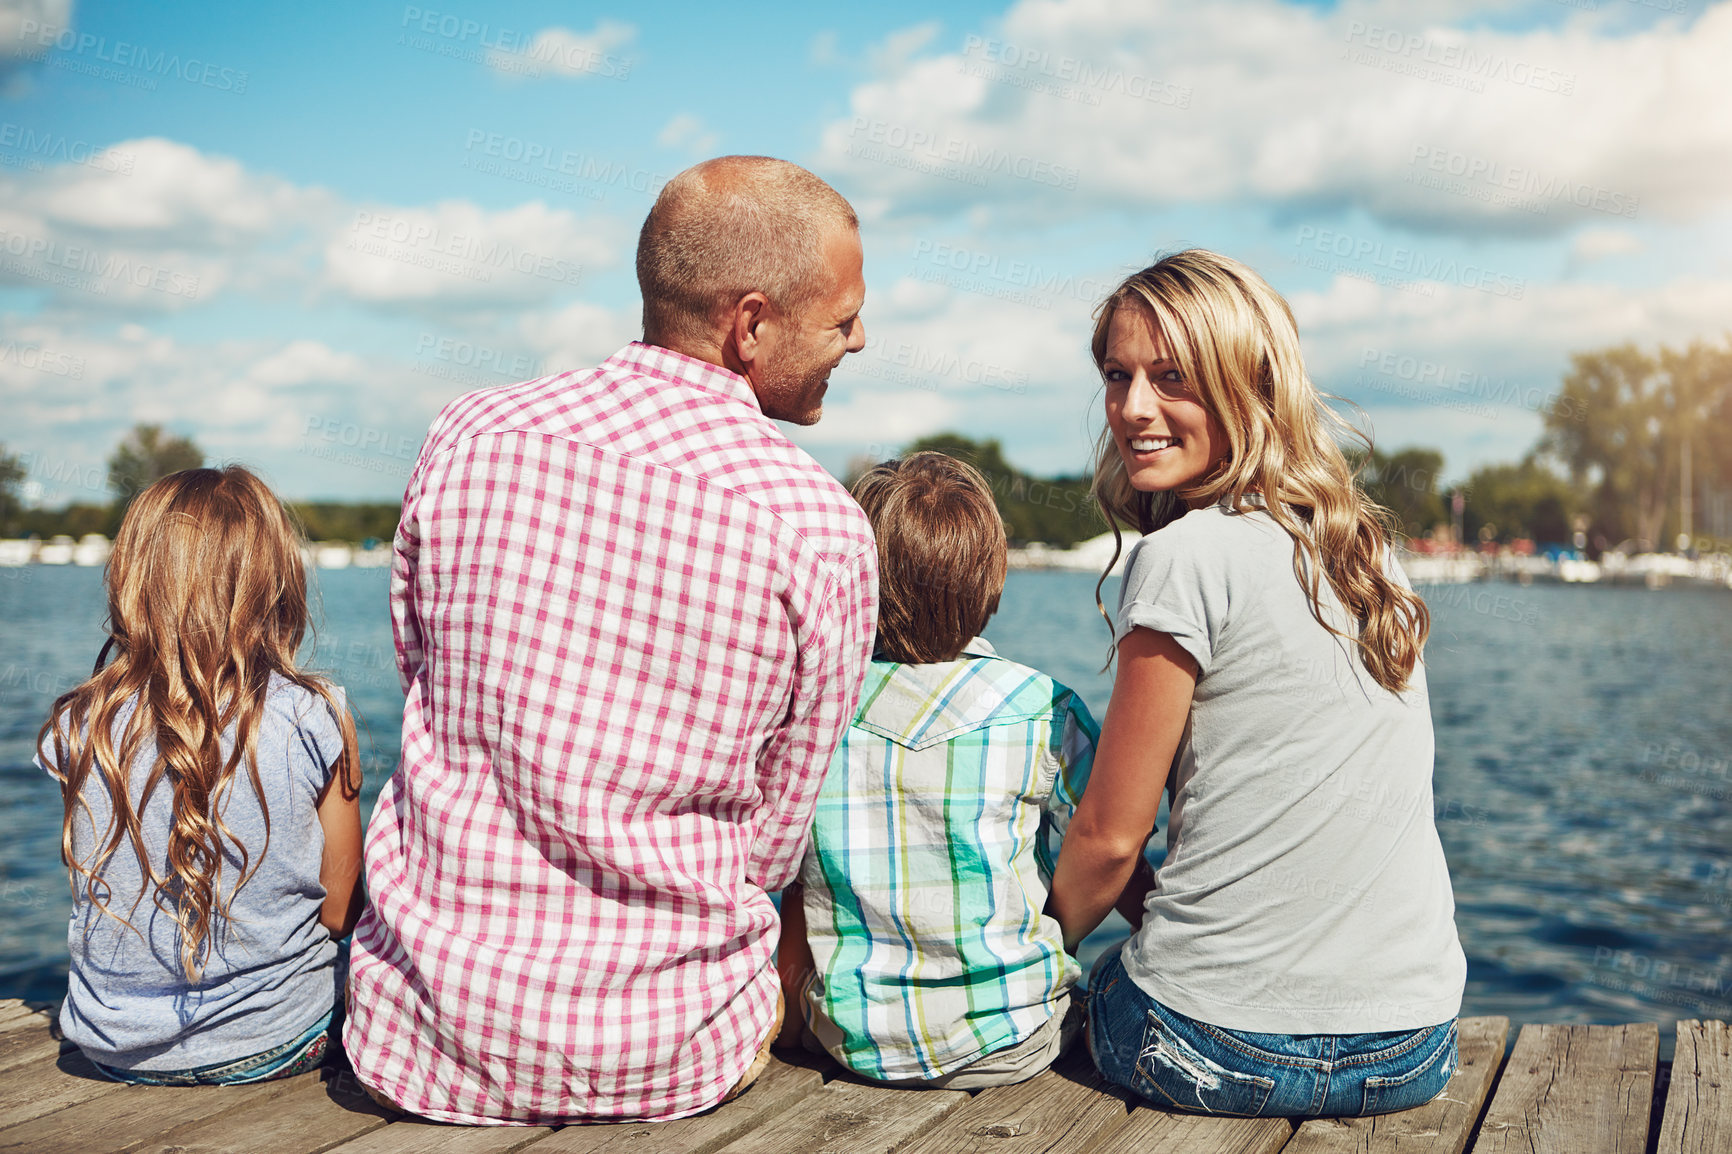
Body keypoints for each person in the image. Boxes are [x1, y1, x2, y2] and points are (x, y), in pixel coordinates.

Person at [344, 156, 879, 1124]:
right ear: (750, 325)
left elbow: (419, 676)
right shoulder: (819, 527)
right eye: (840, 320)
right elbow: (772, 835)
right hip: (668, 1053)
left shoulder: (466, 435)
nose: (859, 339)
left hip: (421, 1034)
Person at [1049, 250, 1466, 1118]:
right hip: (1413, 1045)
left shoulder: (1183, 557)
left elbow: (1111, 839)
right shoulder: (1365, 554)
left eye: (1172, 378)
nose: (1132, 409)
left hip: (1214, 1046)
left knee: (1055, 754)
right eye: (1117, 375)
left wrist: (1026, 950)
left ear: (1248, 387)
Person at [776, 452, 1097, 1089]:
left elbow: (786, 874)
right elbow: (1106, 844)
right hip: (1014, 1039)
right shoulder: (1045, 708)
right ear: (994, 579)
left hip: (852, 1040)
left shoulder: (814, 705)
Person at [35, 466, 362, 1085]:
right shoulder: (314, 713)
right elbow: (341, 911)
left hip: (110, 1047)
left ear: (133, 578)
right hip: (279, 1040)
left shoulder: (80, 722)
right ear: (276, 584)